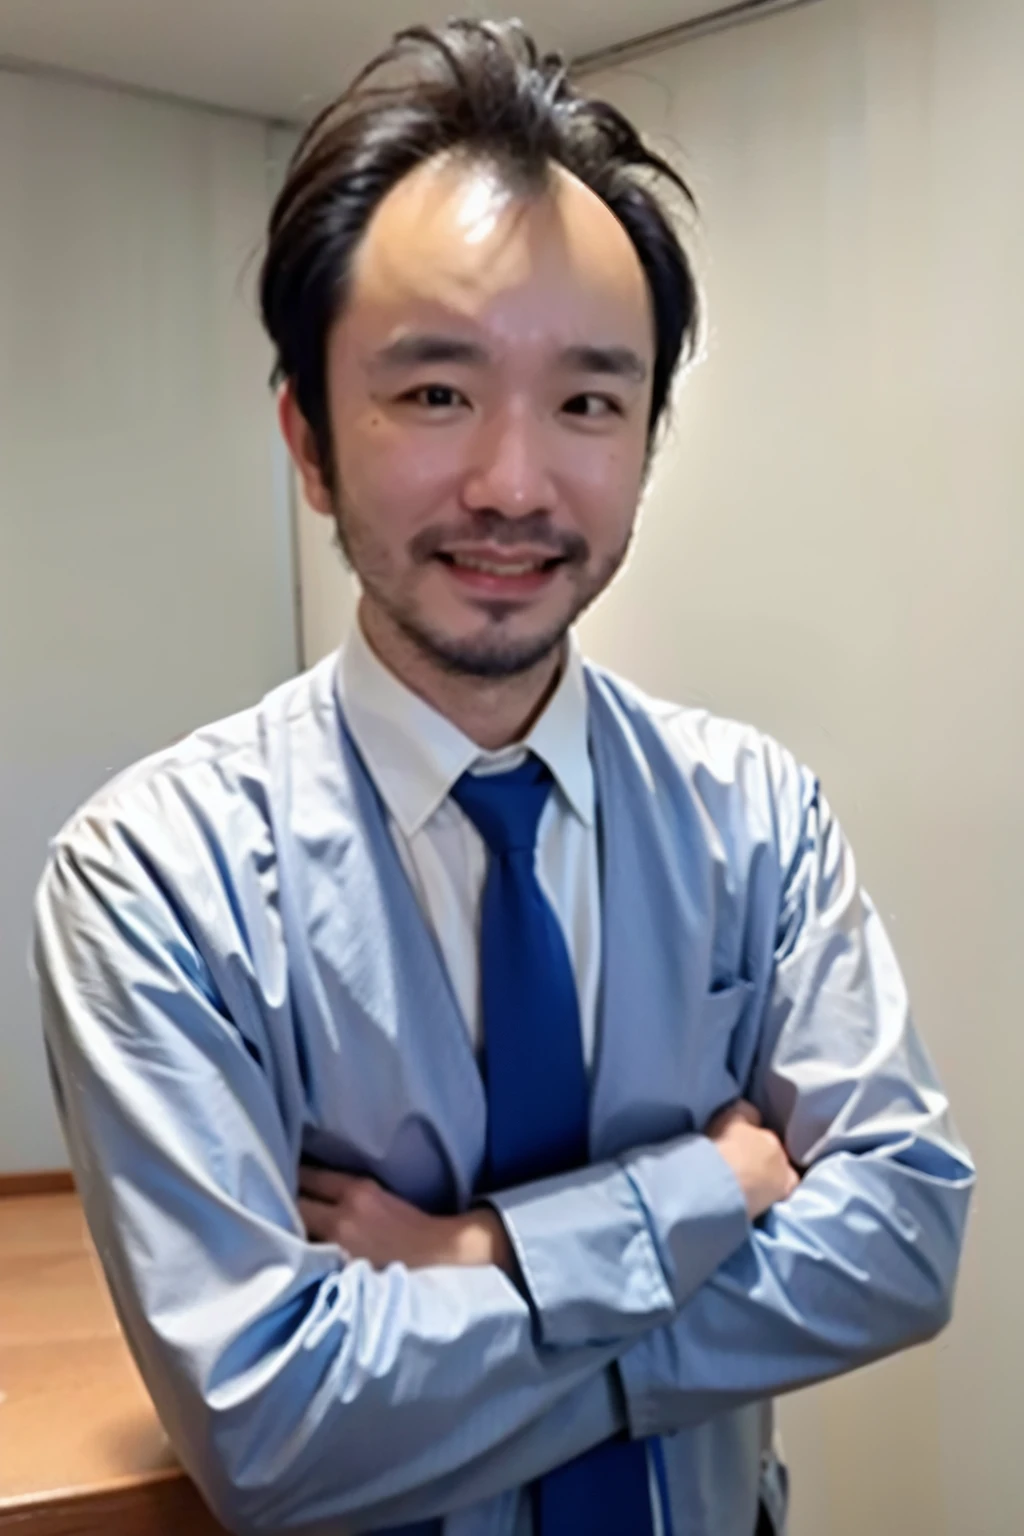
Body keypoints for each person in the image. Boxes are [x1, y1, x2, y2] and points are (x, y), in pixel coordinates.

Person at [33, 18, 973, 1536]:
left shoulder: (758, 820)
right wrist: (709, 1189)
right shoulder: (154, 878)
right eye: (435, 393)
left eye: (590, 401)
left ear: (647, 443)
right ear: (310, 438)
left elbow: (906, 1241)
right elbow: (277, 1433)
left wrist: (486, 1258)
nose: (516, 483)